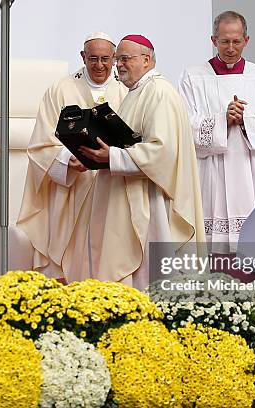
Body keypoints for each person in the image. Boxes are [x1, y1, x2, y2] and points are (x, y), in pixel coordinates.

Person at [78, 34, 206, 289]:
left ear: (146, 60)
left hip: (150, 204)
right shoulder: (137, 92)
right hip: (132, 198)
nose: (119, 65)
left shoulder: (159, 92)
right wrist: (94, 155)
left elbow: (161, 151)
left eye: (125, 59)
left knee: (149, 278)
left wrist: (112, 156)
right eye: (119, 60)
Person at [18, 32, 128, 282]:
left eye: (105, 59)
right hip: (71, 189)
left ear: (114, 59)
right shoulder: (60, 90)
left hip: (111, 186)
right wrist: (67, 160)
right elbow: (39, 145)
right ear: (82, 57)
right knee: (69, 258)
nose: (99, 65)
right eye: (93, 59)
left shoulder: (125, 91)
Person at [178, 11, 255, 254]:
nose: (231, 48)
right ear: (213, 40)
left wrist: (244, 121)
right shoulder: (193, 76)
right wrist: (222, 120)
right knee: (213, 252)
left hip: (254, 170)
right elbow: (183, 126)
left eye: (236, 41)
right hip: (211, 170)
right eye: (225, 41)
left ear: (246, 40)